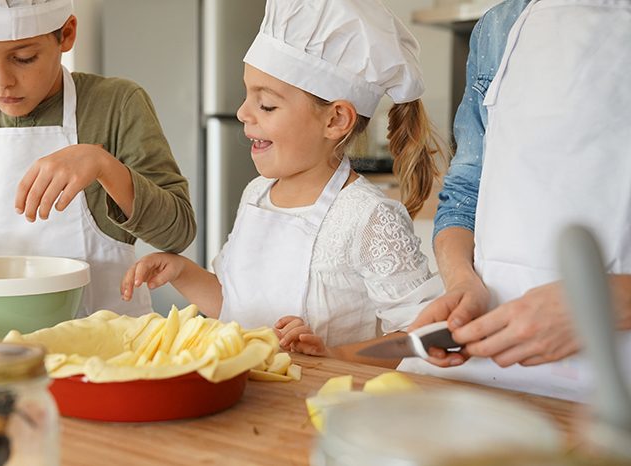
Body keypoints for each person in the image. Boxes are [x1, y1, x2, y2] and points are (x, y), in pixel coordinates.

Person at [120, 0, 447, 366]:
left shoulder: (367, 218)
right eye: (247, 96)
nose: (244, 112)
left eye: (267, 105)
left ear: (335, 119)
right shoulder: (256, 195)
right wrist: (182, 272)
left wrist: (334, 355)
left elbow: (426, 334)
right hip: (254, 404)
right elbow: (234, 305)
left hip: (328, 408)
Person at [399, 0, 631, 400]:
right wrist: (461, 281)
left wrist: (608, 301)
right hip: (483, 363)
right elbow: (464, 193)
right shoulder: (498, 27)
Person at [0, 0, 196, 318]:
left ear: (66, 34)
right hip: (2, 339)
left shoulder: (117, 105)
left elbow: (178, 233)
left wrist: (103, 165)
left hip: (110, 345)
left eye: (23, 58)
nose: (0, 80)